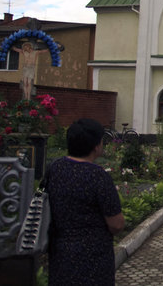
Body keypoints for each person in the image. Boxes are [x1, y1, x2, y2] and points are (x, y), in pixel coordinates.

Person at [47, 118, 124, 286]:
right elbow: (116, 224)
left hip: (60, 252)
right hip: (93, 256)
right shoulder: (98, 176)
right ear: (96, 146)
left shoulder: (55, 168)